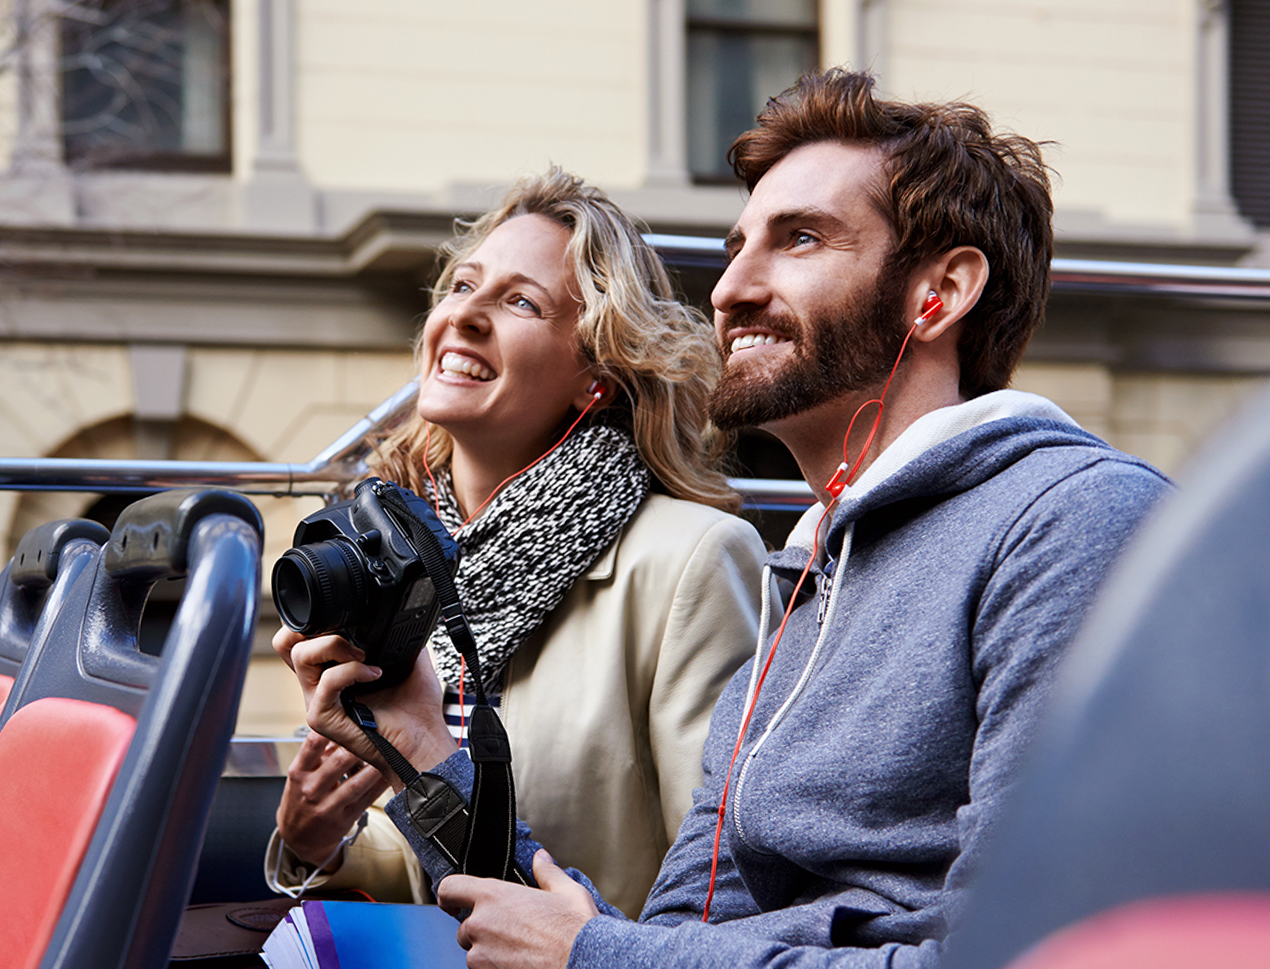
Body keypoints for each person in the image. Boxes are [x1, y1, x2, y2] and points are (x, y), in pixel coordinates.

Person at [283, 70, 1174, 967]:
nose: (730, 288)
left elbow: (1035, 954)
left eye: (801, 240)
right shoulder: (808, 578)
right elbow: (668, 941)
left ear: (937, 292)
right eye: (737, 245)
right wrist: (424, 747)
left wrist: (598, 957)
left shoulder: (1073, 524)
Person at [265, 166, 773, 918]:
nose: (466, 315)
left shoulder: (693, 560)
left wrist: (424, 751)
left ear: (595, 375)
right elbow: (426, 869)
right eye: (463, 286)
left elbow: (715, 897)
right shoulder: (392, 559)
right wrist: (322, 841)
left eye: (520, 302)